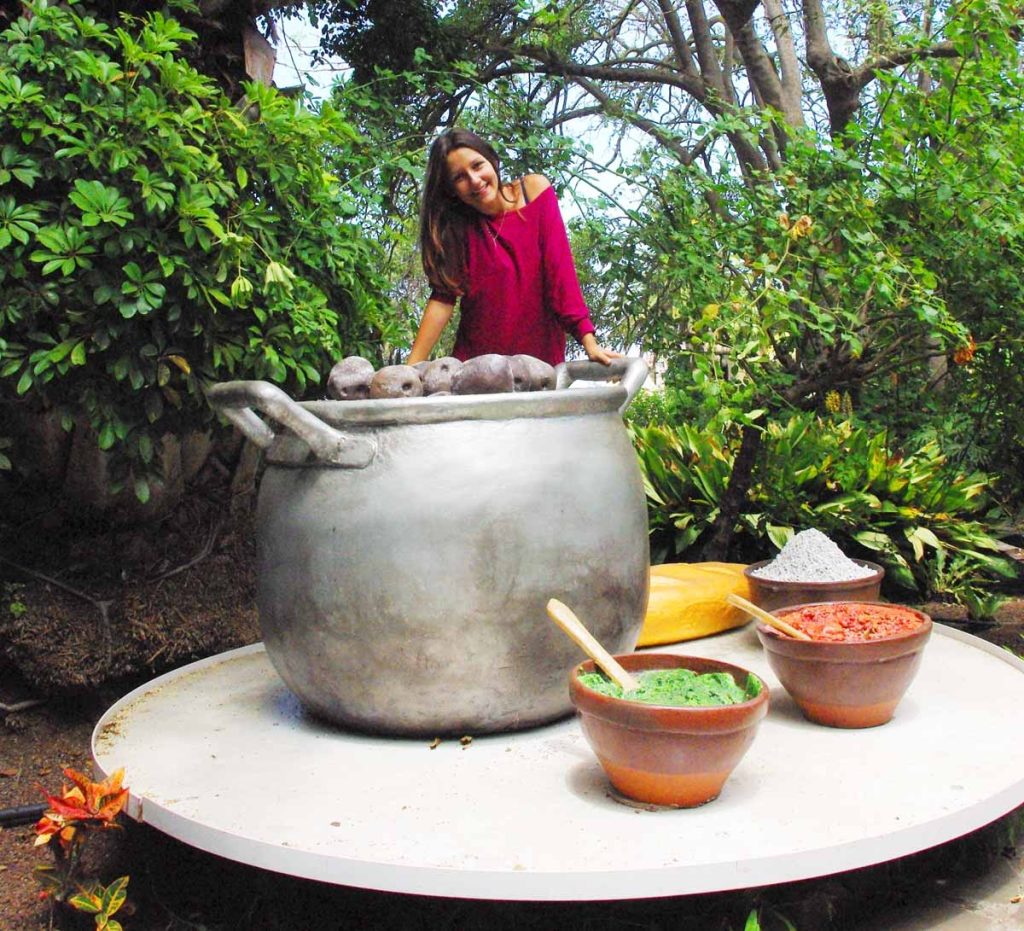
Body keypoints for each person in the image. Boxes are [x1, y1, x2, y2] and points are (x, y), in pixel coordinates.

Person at [406, 129, 621, 368]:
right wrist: (409, 368)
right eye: (459, 177)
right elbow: (443, 298)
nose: (474, 180)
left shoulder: (534, 192)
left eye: (477, 166)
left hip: (538, 366)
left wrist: (587, 340)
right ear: (452, 191)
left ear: (492, 160)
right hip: (477, 369)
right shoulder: (458, 228)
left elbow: (560, 273)